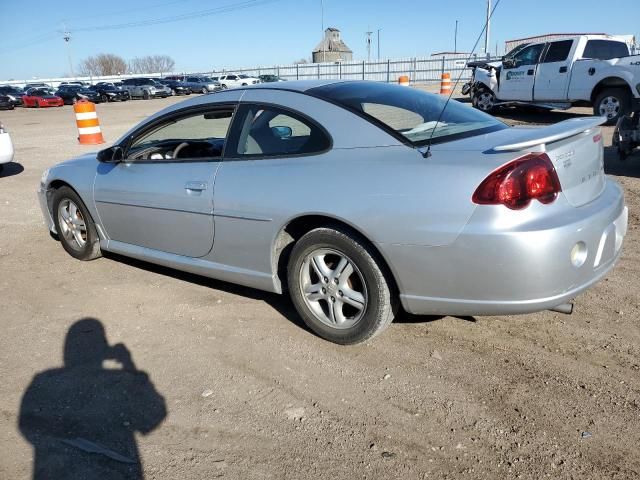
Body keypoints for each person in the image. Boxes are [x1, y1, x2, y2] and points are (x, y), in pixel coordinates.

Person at [19, 318, 166, 479]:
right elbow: (155, 416)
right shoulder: (45, 379)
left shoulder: (44, 379)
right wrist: (128, 363)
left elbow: (28, 425)